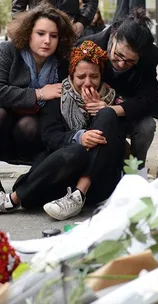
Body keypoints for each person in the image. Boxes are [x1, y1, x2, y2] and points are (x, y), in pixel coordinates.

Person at [1, 41, 127, 220]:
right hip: (62, 173)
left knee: (107, 115)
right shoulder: (58, 97)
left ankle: (78, 194)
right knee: (76, 150)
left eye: (94, 76)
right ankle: (14, 199)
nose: (88, 82)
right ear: (72, 75)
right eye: (81, 76)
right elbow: (50, 137)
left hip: (97, 182)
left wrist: (100, 111)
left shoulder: (113, 99)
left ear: (101, 76)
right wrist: (79, 137)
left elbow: (118, 140)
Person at [0, 3, 75, 204]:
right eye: (40, 33)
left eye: (53, 36)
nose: (47, 41)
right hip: (3, 129)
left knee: (30, 125)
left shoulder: (62, 62)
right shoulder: (7, 52)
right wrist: (39, 93)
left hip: (33, 134)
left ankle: (28, 185)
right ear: (28, 33)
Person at [75, 7, 158, 169]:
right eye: (118, 55)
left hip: (126, 110)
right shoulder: (88, 46)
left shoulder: (148, 57)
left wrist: (110, 109)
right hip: (86, 111)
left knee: (147, 126)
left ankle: (136, 169)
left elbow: (148, 98)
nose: (122, 64)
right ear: (114, 37)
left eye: (131, 61)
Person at [11, 0, 98, 37]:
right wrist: (26, 30)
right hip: (39, 31)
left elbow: (91, 1)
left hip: (69, 32)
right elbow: (17, 9)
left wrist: (81, 23)